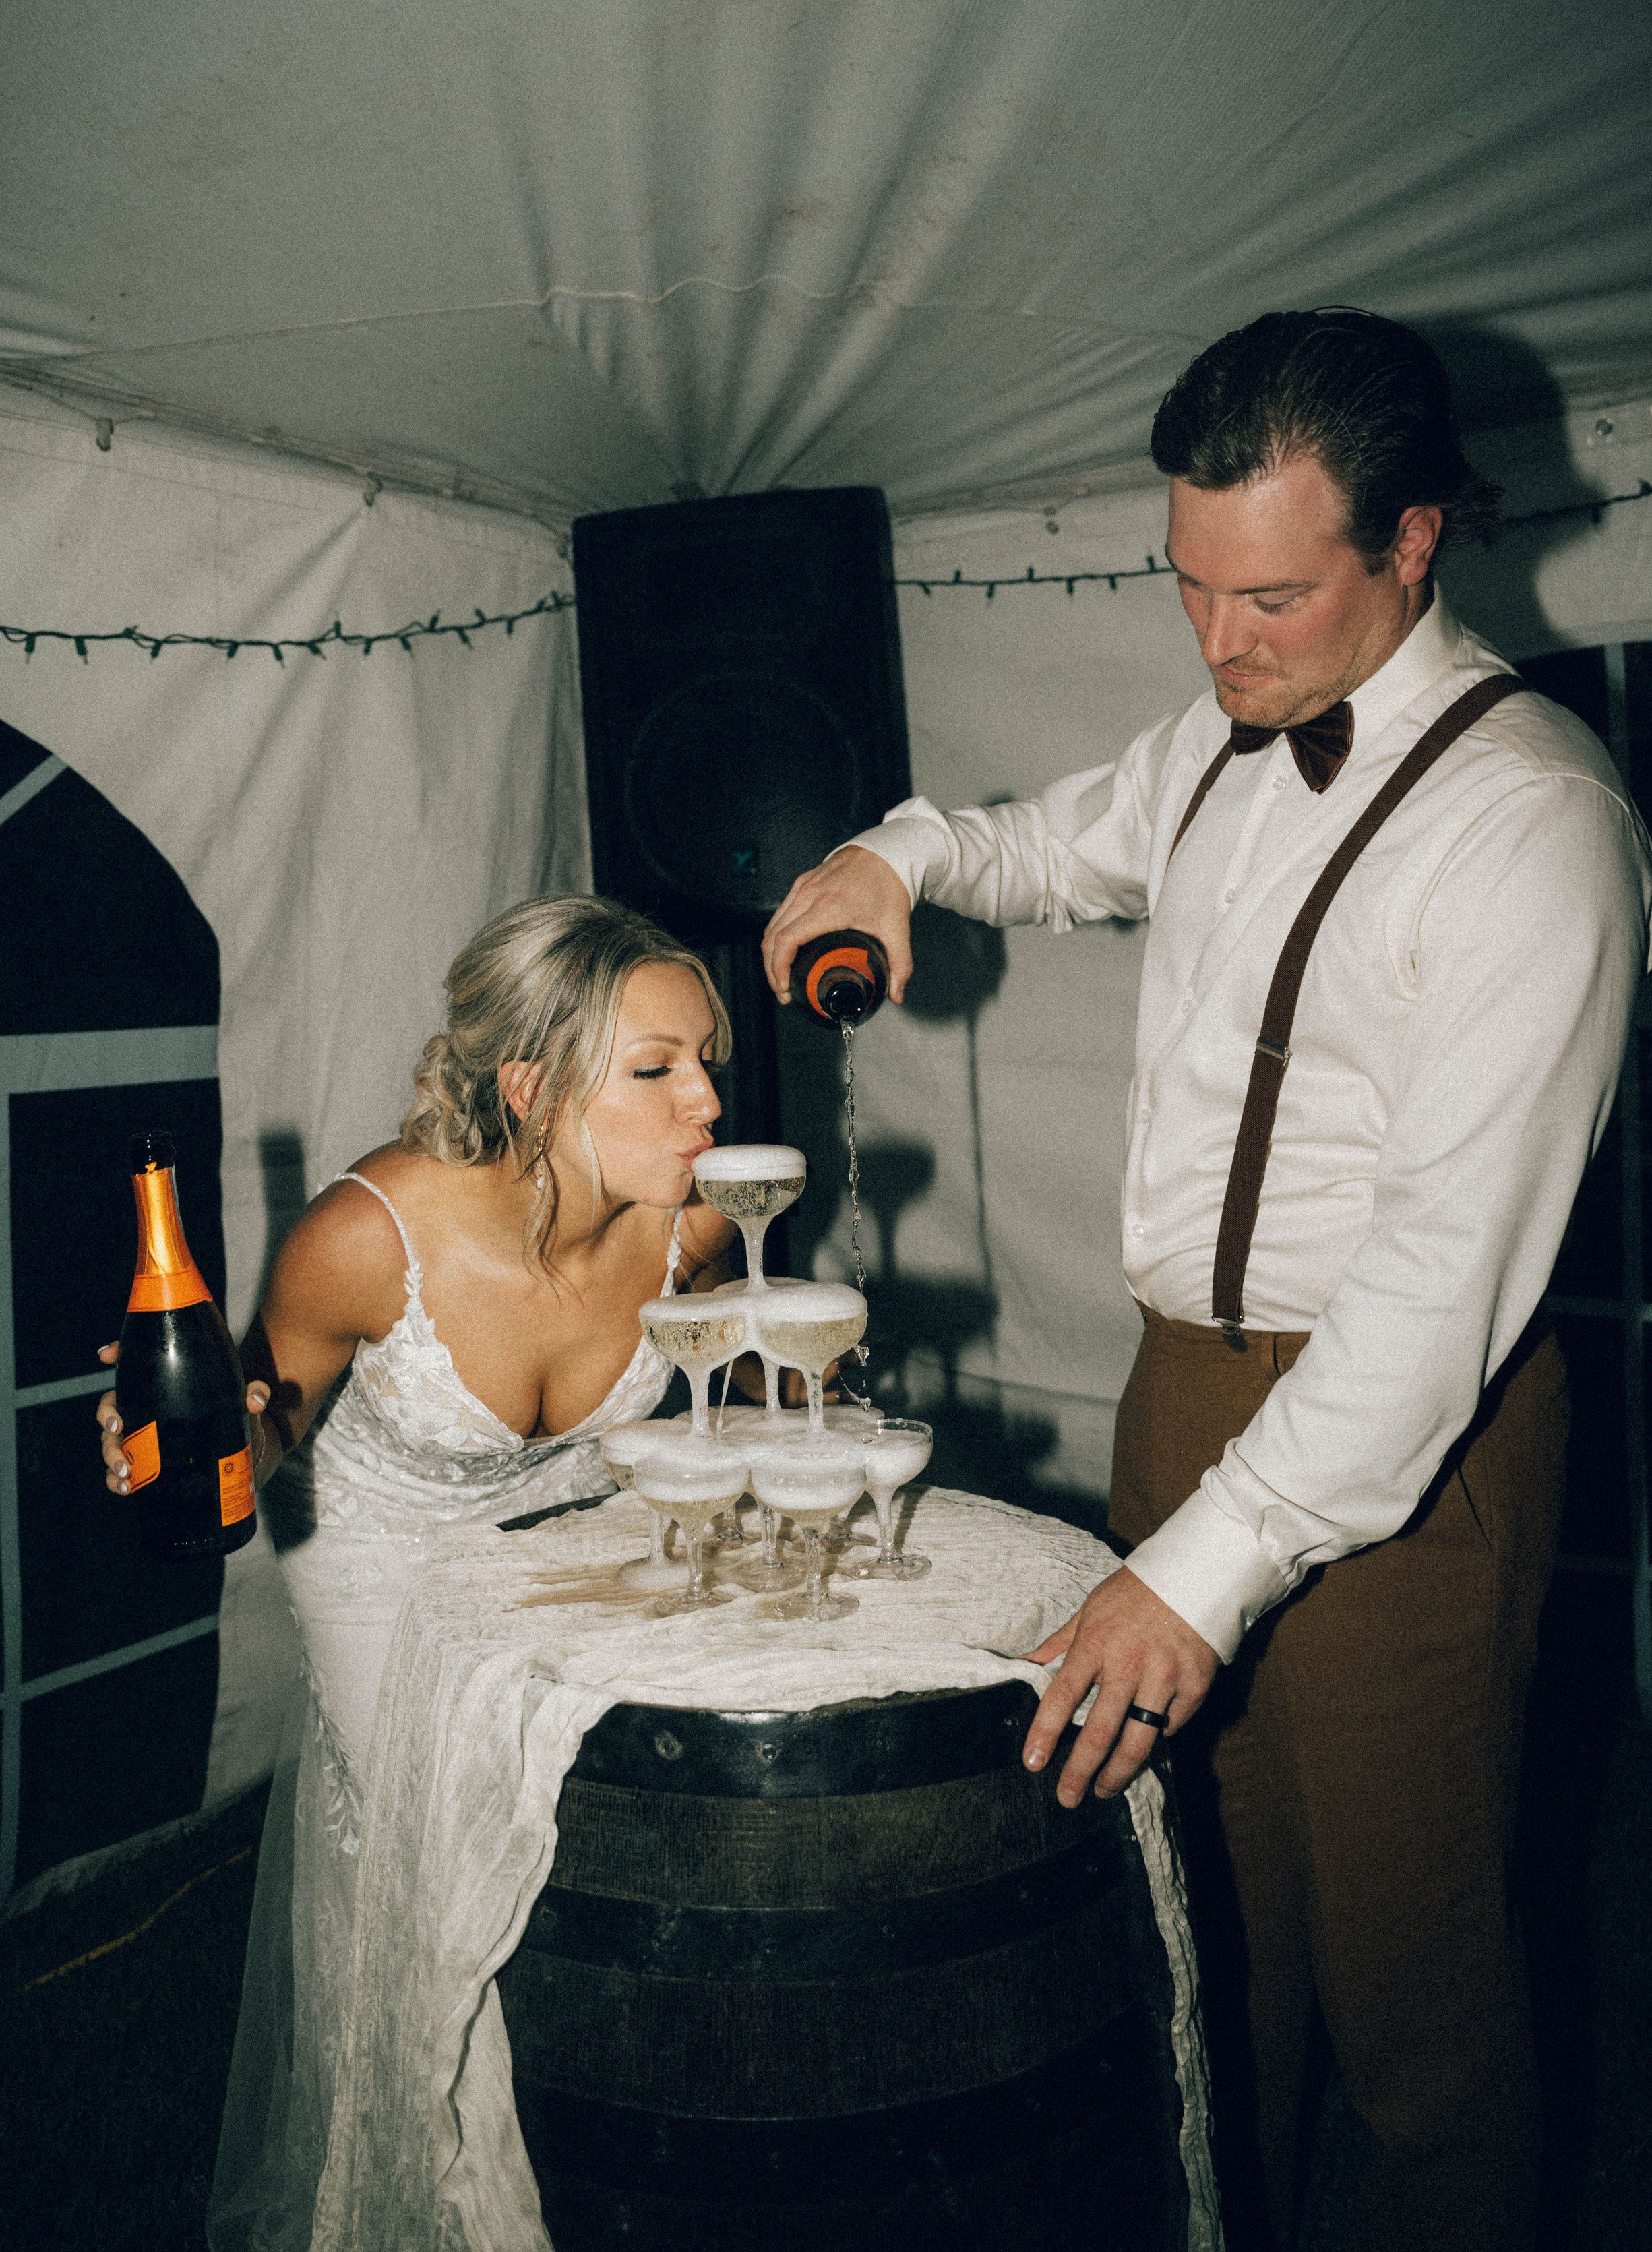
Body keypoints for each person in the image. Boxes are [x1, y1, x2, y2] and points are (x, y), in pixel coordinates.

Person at [762, 308, 1652, 2252]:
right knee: (1202, 1900)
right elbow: (1042, 842)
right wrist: (899, 856)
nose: (1217, 645)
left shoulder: (1535, 827)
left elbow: (1439, 1282)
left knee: (1415, 1975)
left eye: (1267, 595)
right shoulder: (1218, 736)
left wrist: (1204, 1564)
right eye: (1186, 589)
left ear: (1413, 539)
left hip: (1407, 1443)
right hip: (1182, 1390)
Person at [97, 895, 741, 2252]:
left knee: (599, 1839)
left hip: (565, 1546)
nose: (703, 1103)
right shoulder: (363, 1238)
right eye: (656, 1068)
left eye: (706, 1064)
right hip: (383, 1560)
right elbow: (263, 1434)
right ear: (529, 1085)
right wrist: (189, 1436)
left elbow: (696, 1440)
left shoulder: (694, 1233)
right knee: (442, 1872)